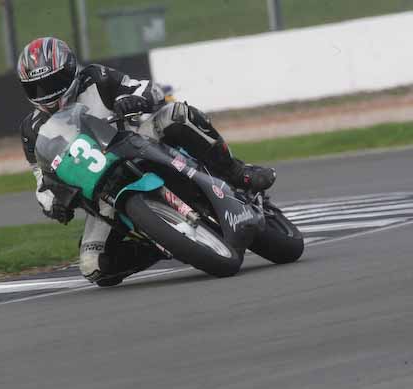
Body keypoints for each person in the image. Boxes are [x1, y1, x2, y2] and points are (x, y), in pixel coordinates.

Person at [18, 37, 276, 286]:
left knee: (176, 115)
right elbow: (41, 178)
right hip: (102, 191)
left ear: (70, 70)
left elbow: (146, 88)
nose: (46, 93)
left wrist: (131, 99)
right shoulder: (32, 129)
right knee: (93, 266)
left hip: (137, 143)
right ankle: (161, 243)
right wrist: (53, 202)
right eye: (36, 88)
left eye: (53, 82)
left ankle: (236, 171)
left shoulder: (96, 78)